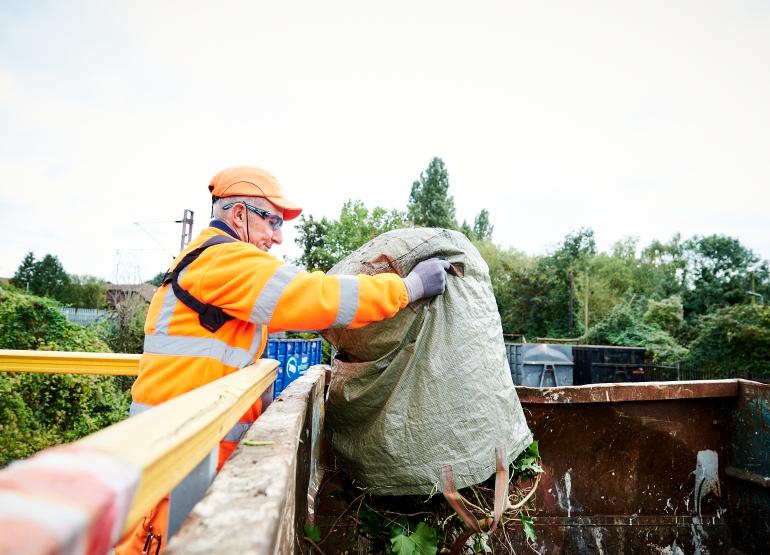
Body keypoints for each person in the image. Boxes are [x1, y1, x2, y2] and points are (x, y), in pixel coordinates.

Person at [116, 166, 450, 554]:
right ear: (238, 214)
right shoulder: (222, 262)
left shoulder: (211, 263)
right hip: (178, 462)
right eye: (271, 221)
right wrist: (408, 288)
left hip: (181, 451)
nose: (277, 236)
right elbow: (315, 296)